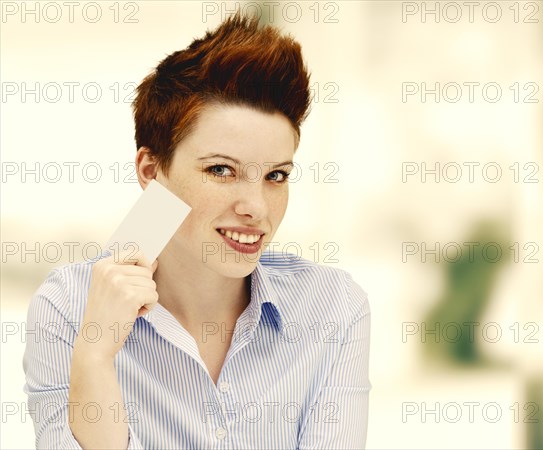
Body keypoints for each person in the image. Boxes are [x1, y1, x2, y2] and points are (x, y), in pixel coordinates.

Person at [23, 13, 371, 449]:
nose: (256, 208)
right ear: (152, 170)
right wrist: (94, 356)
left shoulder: (333, 309)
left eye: (276, 176)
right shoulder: (69, 310)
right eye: (221, 170)